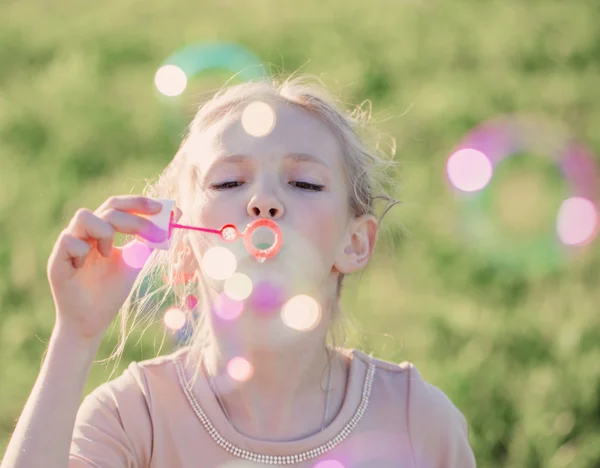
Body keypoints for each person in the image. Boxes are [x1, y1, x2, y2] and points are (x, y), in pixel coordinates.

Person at [1, 76, 476, 467]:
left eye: (304, 183)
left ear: (354, 243)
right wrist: (76, 336)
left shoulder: (420, 422)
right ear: (183, 247)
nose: (263, 201)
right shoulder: (134, 418)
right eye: (228, 181)